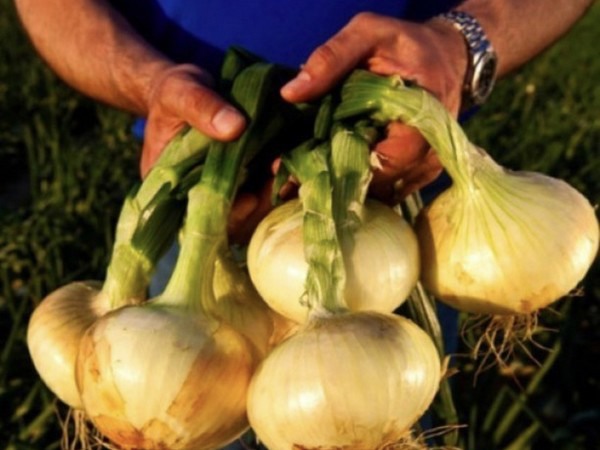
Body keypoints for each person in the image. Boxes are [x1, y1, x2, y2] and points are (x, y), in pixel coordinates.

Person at [14, 1, 593, 449]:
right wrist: (146, 82)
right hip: (200, 205)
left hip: (400, 197)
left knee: (382, 402)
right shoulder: (135, 324)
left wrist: (461, 42)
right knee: (199, 408)